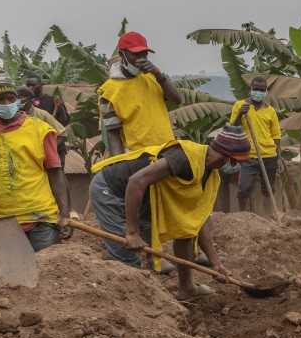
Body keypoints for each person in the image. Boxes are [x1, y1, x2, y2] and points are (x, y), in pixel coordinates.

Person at [89, 125, 249, 303]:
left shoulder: (209, 175)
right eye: (234, 161)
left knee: (185, 234)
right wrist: (132, 232)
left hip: (143, 198)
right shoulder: (184, 157)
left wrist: (215, 262)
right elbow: (136, 181)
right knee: (127, 261)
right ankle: (134, 310)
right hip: (111, 189)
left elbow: (194, 222)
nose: (234, 166)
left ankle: (186, 289)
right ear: (226, 156)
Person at [0, 73, 70, 252]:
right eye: (0, 100)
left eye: (10, 99)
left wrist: (65, 215)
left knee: (47, 272)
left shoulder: (40, 130)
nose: (6, 104)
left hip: (41, 217)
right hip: (5, 221)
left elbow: (55, 174)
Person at [97, 31, 180, 157]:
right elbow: (112, 132)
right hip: (138, 157)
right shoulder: (108, 91)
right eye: (135, 54)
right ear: (122, 54)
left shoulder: (154, 77)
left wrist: (159, 76)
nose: (141, 59)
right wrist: (119, 164)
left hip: (167, 151)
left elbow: (177, 100)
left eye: (144, 55)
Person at [229, 76, 282, 217]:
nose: (258, 92)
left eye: (261, 90)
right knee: (244, 188)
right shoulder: (240, 106)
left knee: (269, 189)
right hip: (249, 155)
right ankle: (243, 216)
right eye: (255, 89)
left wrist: (278, 158)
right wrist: (241, 114)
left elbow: (276, 136)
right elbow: (232, 128)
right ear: (250, 89)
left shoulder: (270, 111)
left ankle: (268, 218)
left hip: (269, 155)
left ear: (266, 91)